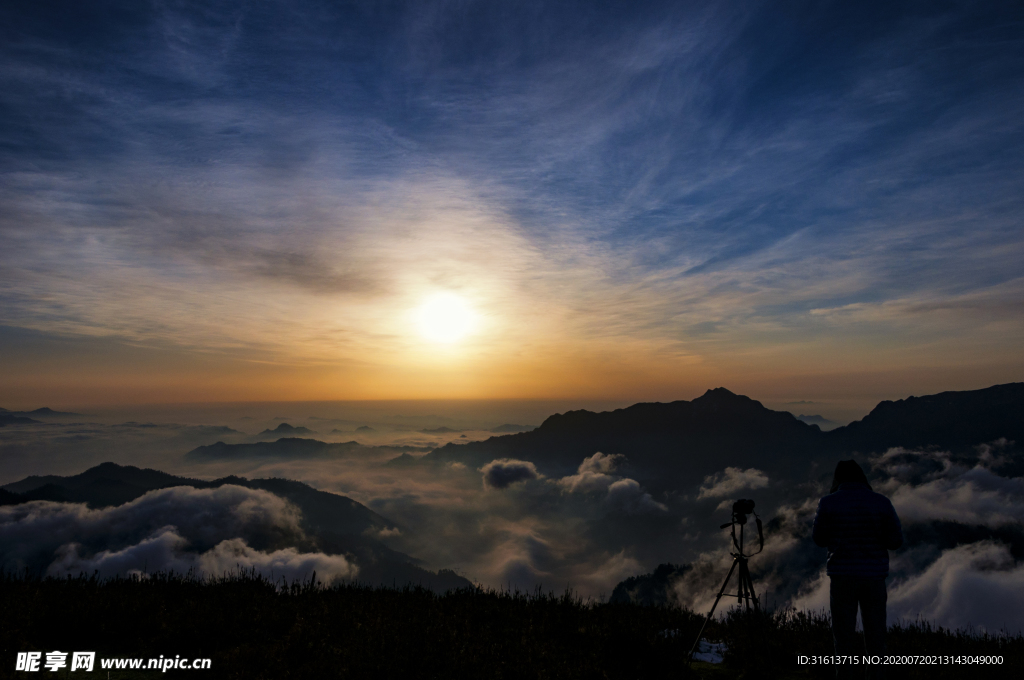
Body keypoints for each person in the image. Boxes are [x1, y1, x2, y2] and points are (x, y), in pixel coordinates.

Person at [812, 460, 902, 679]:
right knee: (876, 637)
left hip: (842, 577)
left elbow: (819, 539)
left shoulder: (828, 503)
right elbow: (895, 541)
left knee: (843, 638)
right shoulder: (882, 502)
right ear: (862, 477)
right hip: (873, 577)